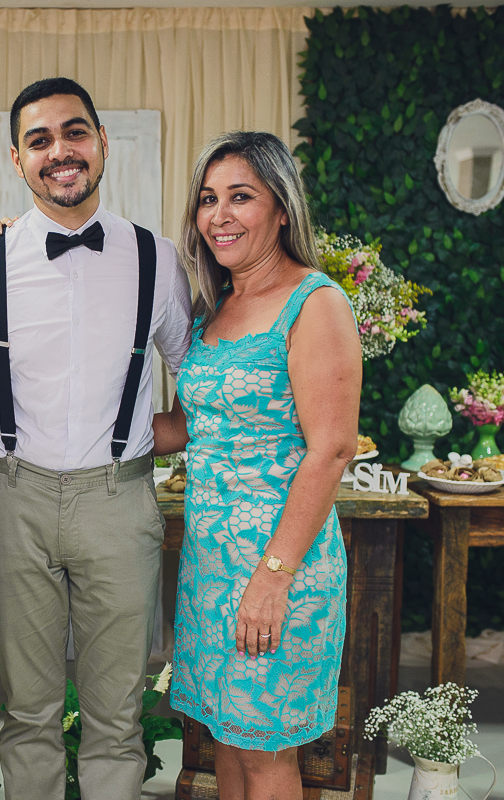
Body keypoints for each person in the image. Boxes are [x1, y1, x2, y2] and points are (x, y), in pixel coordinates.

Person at [0, 77, 194, 799]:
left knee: (118, 714)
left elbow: (203, 384)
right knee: (28, 711)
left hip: (120, 502)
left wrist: (159, 432)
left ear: (101, 143)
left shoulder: (159, 259)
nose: (61, 151)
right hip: (14, 499)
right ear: (17, 160)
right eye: (40, 139)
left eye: (74, 132)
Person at [154, 131, 361, 800]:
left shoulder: (315, 302)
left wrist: (272, 578)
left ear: (280, 208)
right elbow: (190, 425)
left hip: (279, 567)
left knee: (267, 753)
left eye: (240, 197)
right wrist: (74, 428)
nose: (219, 215)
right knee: (229, 749)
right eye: (208, 200)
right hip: (209, 571)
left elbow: (331, 447)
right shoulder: (216, 307)